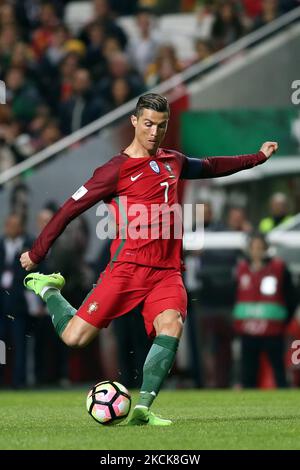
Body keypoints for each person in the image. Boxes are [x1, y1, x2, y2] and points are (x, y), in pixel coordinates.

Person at [20, 93, 278, 425]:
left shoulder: (174, 161)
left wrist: (257, 157)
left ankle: (143, 407)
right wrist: (38, 252)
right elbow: (71, 208)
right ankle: (49, 289)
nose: (155, 132)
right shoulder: (114, 170)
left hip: (167, 272)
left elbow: (212, 166)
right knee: (74, 337)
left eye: (161, 125)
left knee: (171, 325)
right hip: (126, 269)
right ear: (134, 122)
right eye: (148, 124)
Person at [233, 233, 297, 388]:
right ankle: (248, 406)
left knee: (278, 370)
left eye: (260, 247)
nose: (256, 251)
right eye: (254, 247)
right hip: (248, 330)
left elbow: (292, 296)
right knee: (248, 373)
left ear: (266, 249)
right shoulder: (241, 270)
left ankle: (284, 404)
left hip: (273, 330)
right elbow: (234, 295)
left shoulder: (279, 268)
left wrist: (284, 319)